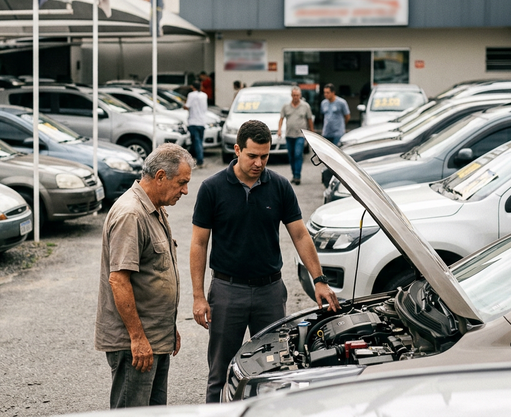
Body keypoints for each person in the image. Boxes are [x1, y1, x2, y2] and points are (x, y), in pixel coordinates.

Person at [190, 120, 340, 403]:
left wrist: (319, 280)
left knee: (274, 370)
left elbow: (300, 235)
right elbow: (199, 243)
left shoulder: (279, 186)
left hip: (269, 292)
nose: (259, 163)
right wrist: (198, 296)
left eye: (265, 156)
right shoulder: (212, 188)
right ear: (237, 150)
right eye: (252, 156)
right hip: (227, 291)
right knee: (220, 373)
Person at [95, 144, 194, 408]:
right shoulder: (131, 214)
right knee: (133, 412)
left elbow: (154, 274)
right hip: (136, 344)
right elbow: (119, 280)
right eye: (181, 183)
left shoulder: (153, 207)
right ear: (160, 176)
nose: (185, 190)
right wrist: (137, 338)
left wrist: (168, 328)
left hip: (154, 338)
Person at [277, 86, 314, 185]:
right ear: (291, 95)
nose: (295, 97)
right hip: (289, 135)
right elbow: (281, 119)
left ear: (300, 95)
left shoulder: (305, 106)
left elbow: (309, 119)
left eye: (297, 95)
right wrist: (279, 130)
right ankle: (294, 174)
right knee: (291, 156)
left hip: (300, 135)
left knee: (298, 154)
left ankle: (297, 175)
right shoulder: (286, 106)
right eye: (294, 95)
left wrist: (312, 132)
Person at [184, 80, 208, 168]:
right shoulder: (204, 95)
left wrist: (183, 105)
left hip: (193, 122)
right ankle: (195, 158)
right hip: (202, 121)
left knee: (196, 141)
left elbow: (187, 106)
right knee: (199, 142)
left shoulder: (191, 95)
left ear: (192, 87)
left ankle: (200, 160)